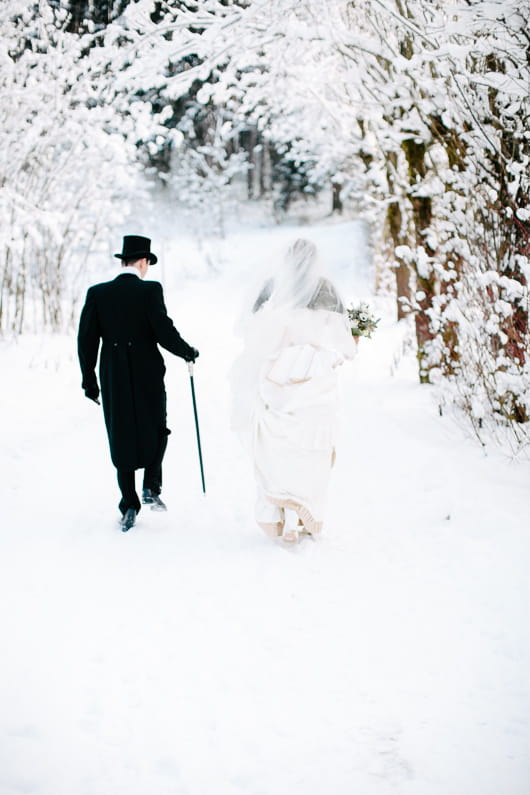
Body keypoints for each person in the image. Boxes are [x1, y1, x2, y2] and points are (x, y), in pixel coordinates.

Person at [230, 238, 357, 544]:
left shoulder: (271, 288)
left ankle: (282, 514)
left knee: (277, 450)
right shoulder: (327, 290)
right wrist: (342, 353)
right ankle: (302, 514)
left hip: (277, 379)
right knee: (312, 450)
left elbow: (250, 331)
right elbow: (344, 343)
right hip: (315, 380)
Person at [77, 235, 199, 532]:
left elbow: (86, 339)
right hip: (146, 371)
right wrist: (187, 351)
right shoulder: (150, 290)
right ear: (143, 261)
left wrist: (89, 380)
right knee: (157, 425)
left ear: (123, 261)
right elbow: (163, 330)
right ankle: (151, 486)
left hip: (113, 373)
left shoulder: (97, 293)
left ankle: (129, 502)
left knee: (121, 432)